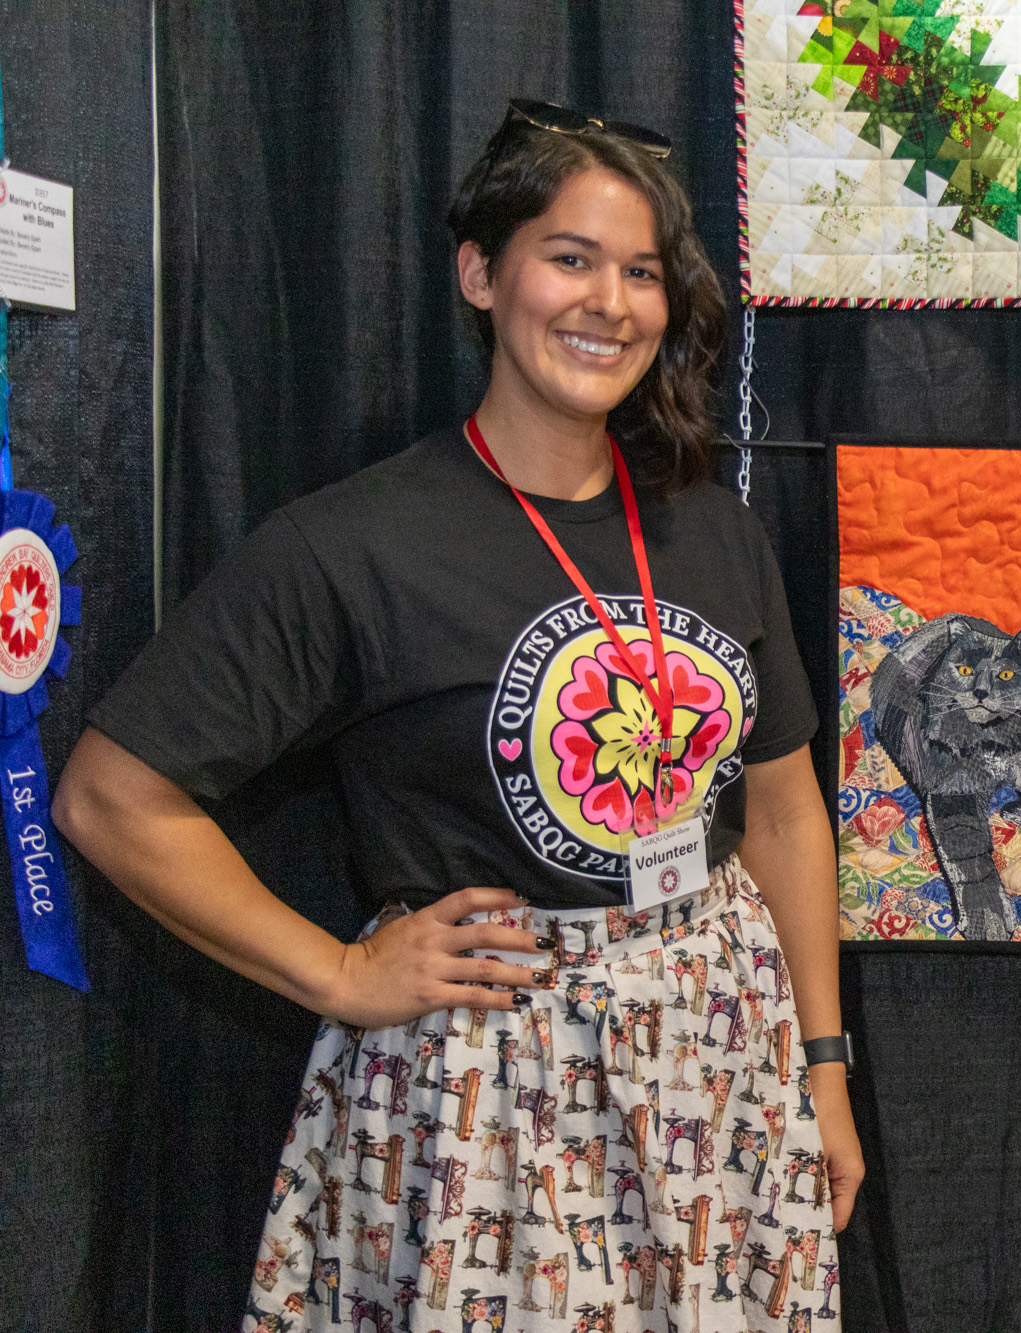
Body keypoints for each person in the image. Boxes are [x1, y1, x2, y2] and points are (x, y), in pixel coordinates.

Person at [54, 99, 860, 1332]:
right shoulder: (355, 544)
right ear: (482, 274)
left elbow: (787, 814)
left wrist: (823, 1067)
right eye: (570, 258)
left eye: (642, 271)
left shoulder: (713, 528)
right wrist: (339, 971)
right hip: (491, 1093)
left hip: (723, 1065)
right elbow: (114, 796)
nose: (609, 303)